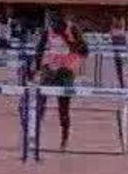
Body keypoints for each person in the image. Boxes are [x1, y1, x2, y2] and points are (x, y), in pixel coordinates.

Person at [33, 13, 88, 151]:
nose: (54, 29)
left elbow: (85, 51)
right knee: (40, 101)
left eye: (57, 27)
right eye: (52, 26)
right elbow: (39, 49)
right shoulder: (48, 31)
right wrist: (37, 69)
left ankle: (64, 139)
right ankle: (34, 135)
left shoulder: (73, 29)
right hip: (50, 69)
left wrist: (69, 41)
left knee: (63, 107)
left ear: (63, 25)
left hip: (66, 71)